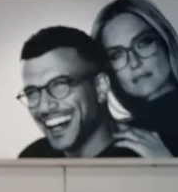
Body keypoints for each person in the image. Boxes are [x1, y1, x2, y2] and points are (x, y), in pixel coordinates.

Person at [91, 0, 178, 158]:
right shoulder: (118, 138)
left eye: (143, 43)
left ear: (165, 42)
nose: (134, 62)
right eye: (116, 55)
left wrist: (170, 168)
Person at [15, 26, 144, 158]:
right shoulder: (33, 159)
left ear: (100, 86)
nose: (44, 107)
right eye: (32, 93)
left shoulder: (144, 160)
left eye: (59, 84)